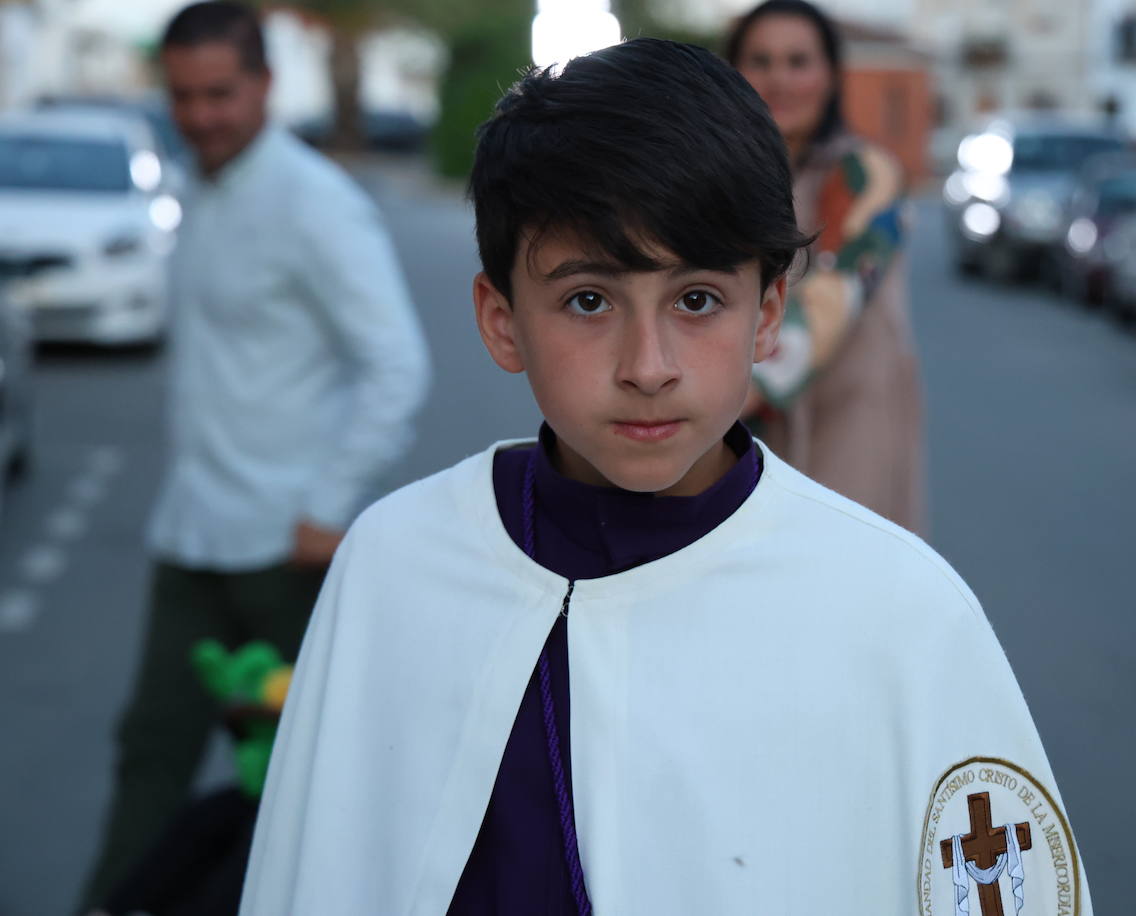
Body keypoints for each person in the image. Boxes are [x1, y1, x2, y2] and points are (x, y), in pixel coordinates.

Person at [240, 39, 1091, 915]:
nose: (648, 367)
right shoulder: (395, 565)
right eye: (588, 300)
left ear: (768, 315)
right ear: (501, 321)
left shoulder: (901, 610)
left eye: (697, 300)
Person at [80, 2, 430, 910]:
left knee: (300, 785)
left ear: (266, 86)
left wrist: (328, 504)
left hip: (284, 551)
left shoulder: (316, 203)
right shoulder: (195, 187)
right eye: (184, 96)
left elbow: (396, 362)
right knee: (150, 754)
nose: (201, 116)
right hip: (190, 535)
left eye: (221, 94)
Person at [727, 0, 924, 533]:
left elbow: (837, 291)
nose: (779, 79)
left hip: (848, 415)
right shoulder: (722, 180)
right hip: (745, 421)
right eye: (761, 61)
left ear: (831, 76)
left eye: (798, 61)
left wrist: (711, 401)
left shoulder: (869, 173)